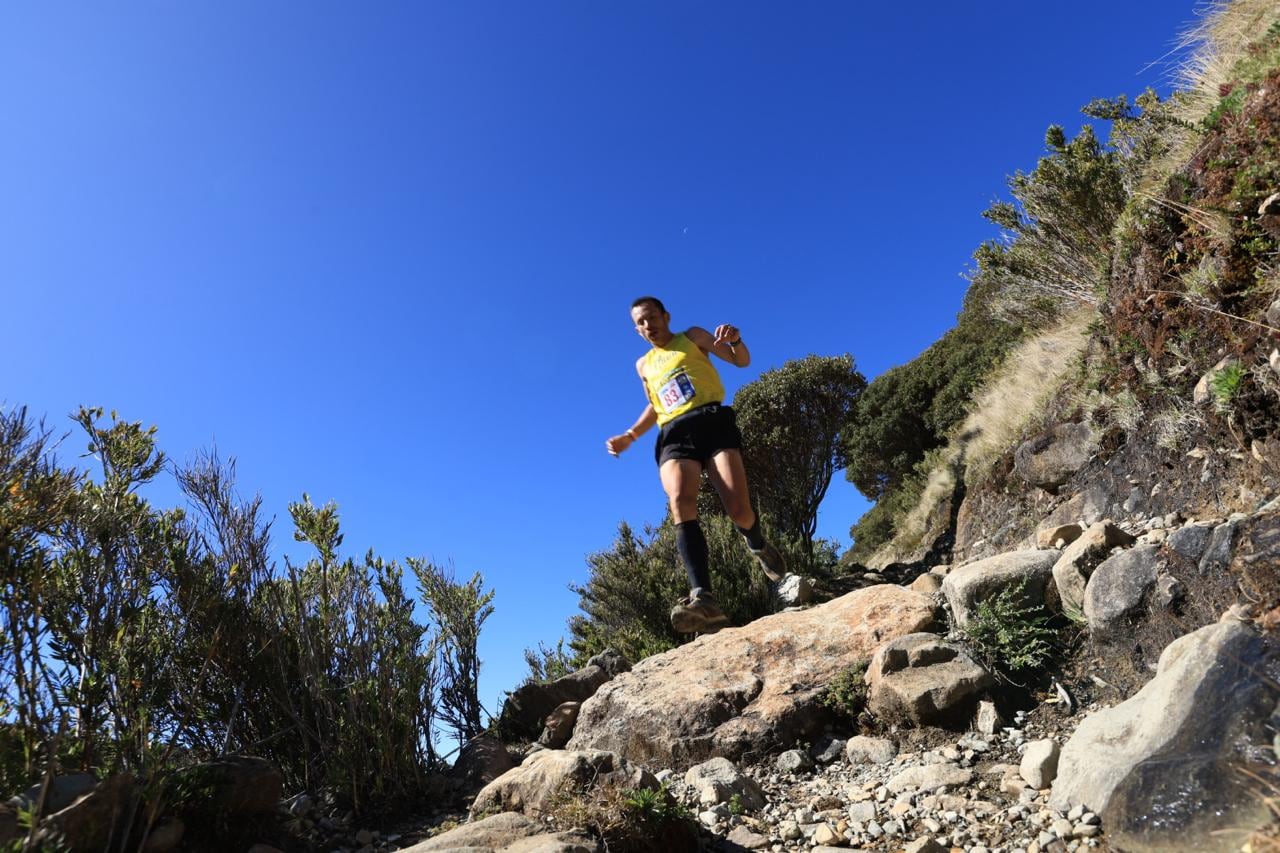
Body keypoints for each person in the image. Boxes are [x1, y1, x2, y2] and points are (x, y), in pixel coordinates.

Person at [605, 296, 787, 633]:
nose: (649, 326)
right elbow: (656, 406)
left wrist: (735, 341)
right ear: (637, 329)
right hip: (674, 433)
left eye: (653, 318)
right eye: (641, 323)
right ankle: (704, 598)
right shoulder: (643, 365)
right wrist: (630, 436)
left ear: (665, 316)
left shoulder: (693, 337)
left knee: (738, 509)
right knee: (680, 500)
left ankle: (758, 545)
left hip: (712, 421)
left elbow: (741, 362)